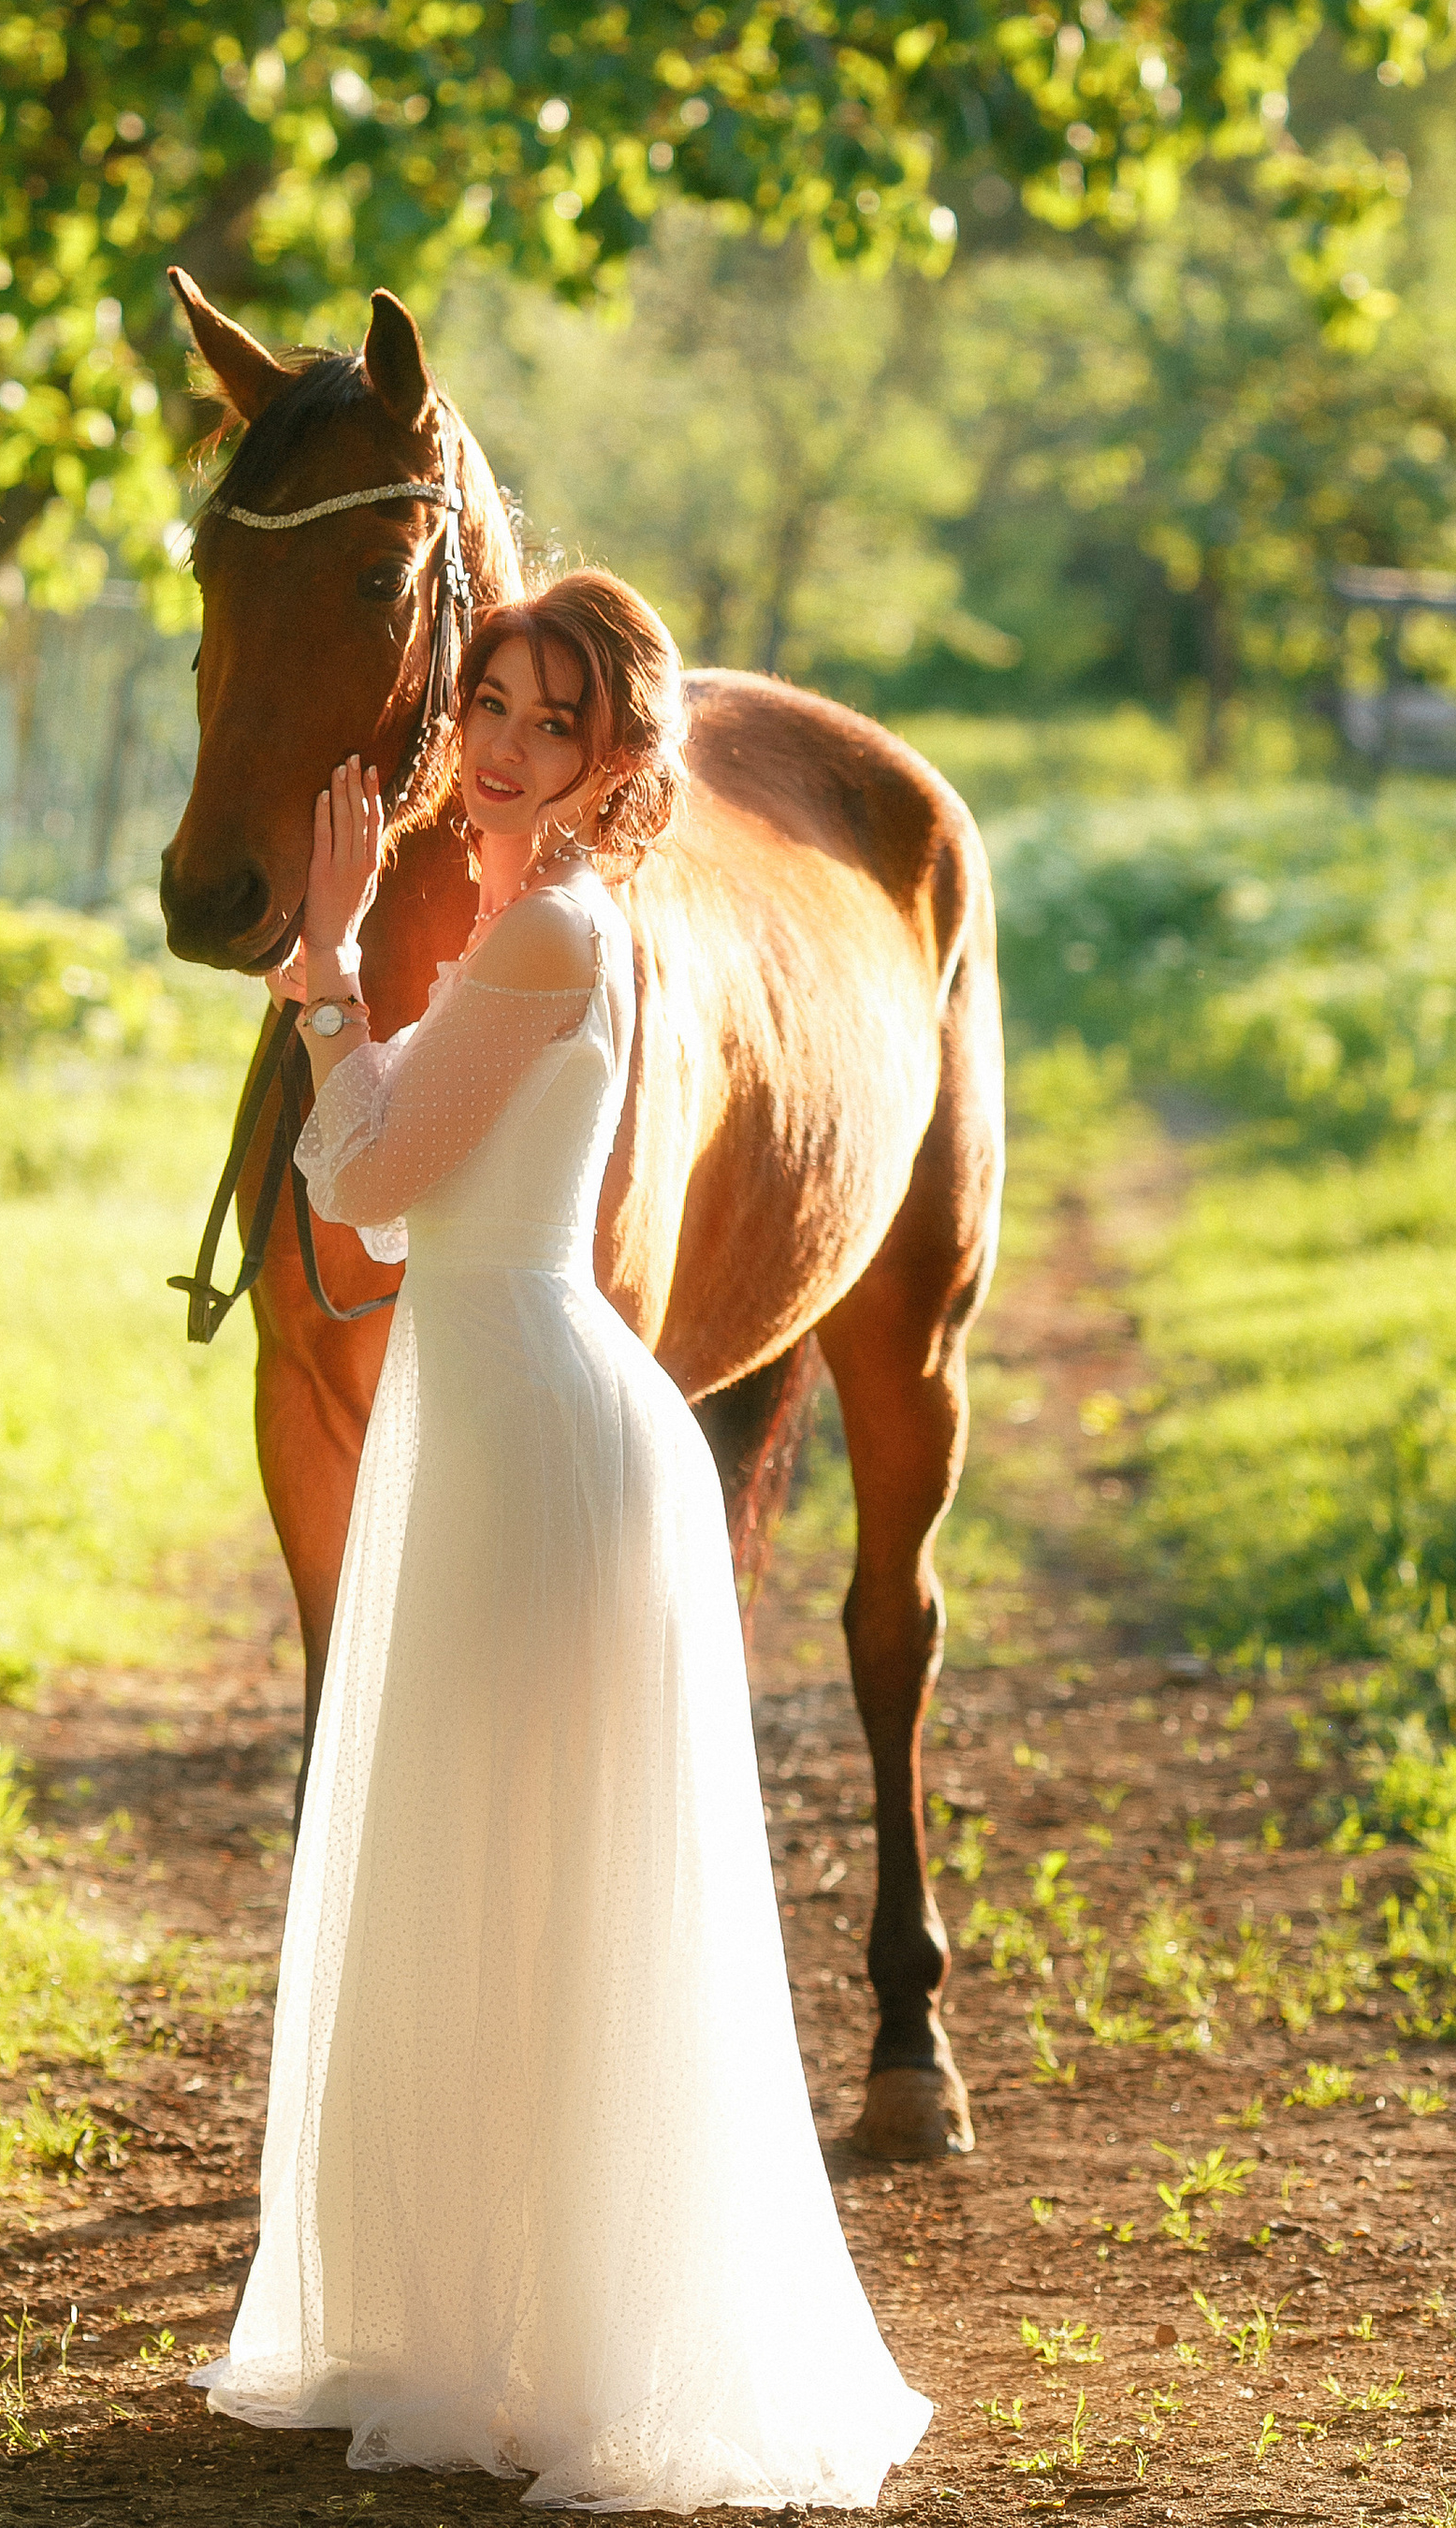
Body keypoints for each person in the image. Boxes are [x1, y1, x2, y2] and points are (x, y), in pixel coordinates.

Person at [191, 572, 932, 2512]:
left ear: (615, 759)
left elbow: (361, 1180)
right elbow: (402, 1196)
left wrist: (326, 968)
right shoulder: (541, 929)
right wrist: (350, 988)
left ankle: (563, 2342)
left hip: (529, 1421)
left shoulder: (541, 936)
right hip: (510, 1403)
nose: (508, 747)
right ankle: (507, 2320)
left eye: (553, 721)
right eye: (493, 706)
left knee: (519, 1871)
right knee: (510, 1876)